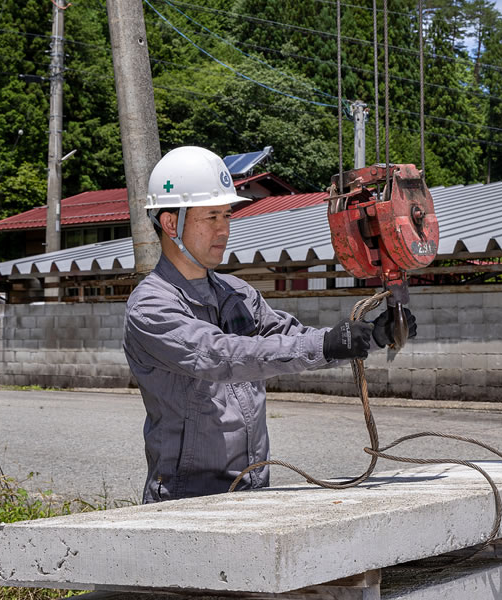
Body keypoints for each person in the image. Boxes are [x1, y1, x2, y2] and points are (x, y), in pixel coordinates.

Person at [123, 146, 417, 503]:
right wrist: (324, 345)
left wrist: (372, 336)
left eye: (227, 216)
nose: (223, 230)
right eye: (211, 217)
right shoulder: (152, 305)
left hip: (253, 489)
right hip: (185, 497)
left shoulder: (237, 293)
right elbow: (222, 356)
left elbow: (290, 338)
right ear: (171, 223)